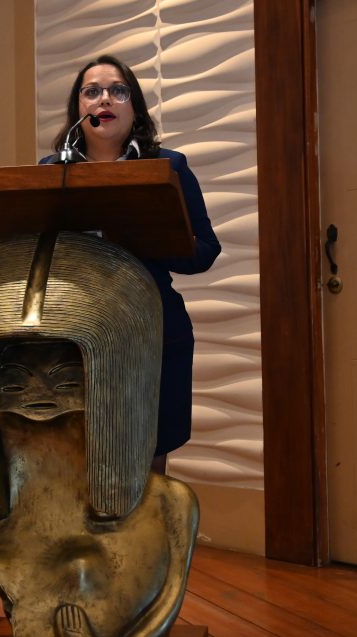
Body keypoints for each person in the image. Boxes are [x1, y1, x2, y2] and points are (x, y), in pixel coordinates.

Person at [41, 54, 221, 472]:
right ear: (78, 108)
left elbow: (205, 250)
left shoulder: (167, 167)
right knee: (80, 461)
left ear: (134, 107)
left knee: (146, 464)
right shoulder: (52, 171)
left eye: (117, 91)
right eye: (92, 92)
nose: (104, 99)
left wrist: (140, 237)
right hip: (75, 334)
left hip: (152, 330)